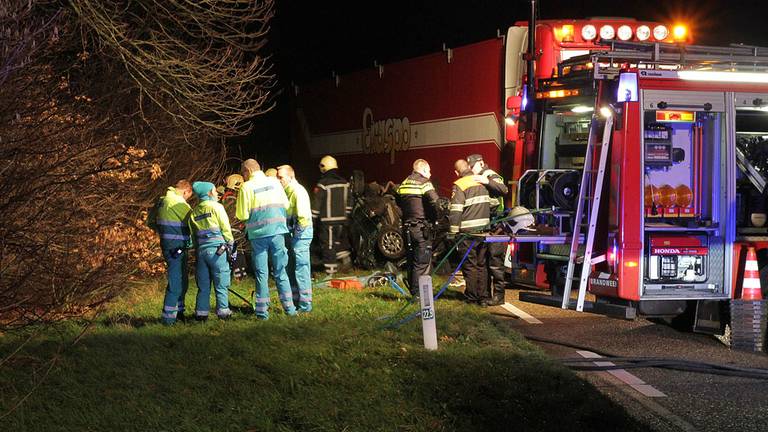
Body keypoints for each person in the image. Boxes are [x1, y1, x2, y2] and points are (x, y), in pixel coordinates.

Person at [236, 159, 297, 319]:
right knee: (280, 271)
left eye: (243, 174)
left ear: (247, 171)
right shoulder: (275, 182)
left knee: (261, 274)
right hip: (278, 233)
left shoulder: (246, 187)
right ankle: (290, 309)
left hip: (258, 236)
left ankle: (262, 312)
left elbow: (241, 215)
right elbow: (286, 205)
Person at [147, 180, 193, 325]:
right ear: (186, 191)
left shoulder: (161, 201)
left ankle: (179, 312)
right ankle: (168, 319)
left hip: (169, 245)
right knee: (177, 282)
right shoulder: (178, 203)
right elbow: (193, 221)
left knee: (182, 280)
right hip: (177, 246)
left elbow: (150, 221)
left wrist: (163, 233)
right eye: (188, 197)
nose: (187, 200)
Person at [188, 181, 234, 321]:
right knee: (221, 282)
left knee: (203, 285)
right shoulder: (216, 207)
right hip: (217, 251)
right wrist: (231, 245)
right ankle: (223, 312)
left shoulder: (193, 212)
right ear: (208, 193)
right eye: (214, 190)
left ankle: (201, 314)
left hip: (201, 252)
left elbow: (193, 237)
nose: (216, 193)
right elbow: (225, 228)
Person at [468, 154, 509, 306]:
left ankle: (499, 296)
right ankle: (484, 296)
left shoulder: (490, 175)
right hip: (485, 224)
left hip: (496, 224)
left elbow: (503, 190)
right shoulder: (477, 177)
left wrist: (486, 181)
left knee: (495, 261)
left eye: (472, 167)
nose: (471, 170)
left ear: (481, 163)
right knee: (482, 261)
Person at [448, 159, 491, 305]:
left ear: (456, 172)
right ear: (468, 167)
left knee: (470, 265)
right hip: (485, 231)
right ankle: (483, 298)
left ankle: (472, 298)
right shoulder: (482, 181)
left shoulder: (460, 184)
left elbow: (456, 211)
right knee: (482, 265)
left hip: (468, 233)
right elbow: (493, 203)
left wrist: (453, 232)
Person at [396, 159, 440, 295]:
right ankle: (420, 295)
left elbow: (397, 201)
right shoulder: (425, 183)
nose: (430, 174)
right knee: (422, 262)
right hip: (421, 228)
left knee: (411, 260)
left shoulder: (403, 183)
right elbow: (435, 202)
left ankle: (413, 289)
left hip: (407, 228)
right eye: (429, 170)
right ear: (424, 170)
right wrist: (435, 218)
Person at [277, 164, 314, 312]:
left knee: (301, 269)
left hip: (300, 236)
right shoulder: (286, 192)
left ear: (290, 177)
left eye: (281, 177)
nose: (278, 180)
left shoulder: (298, 191)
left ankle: (305, 306)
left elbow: (303, 219)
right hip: (294, 235)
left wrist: (295, 237)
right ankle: (296, 301)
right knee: (291, 269)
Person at [311, 155, 352, 275]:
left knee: (328, 246)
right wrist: (347, 215)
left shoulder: (323, 184)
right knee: (339, 243)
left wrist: (312, 220)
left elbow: (316, 204)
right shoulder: (345, 183)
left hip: (327, 222)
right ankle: (346, 259)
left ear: (324, 167)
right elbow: (350, 201)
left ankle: (330, 272)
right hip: (342, 221)